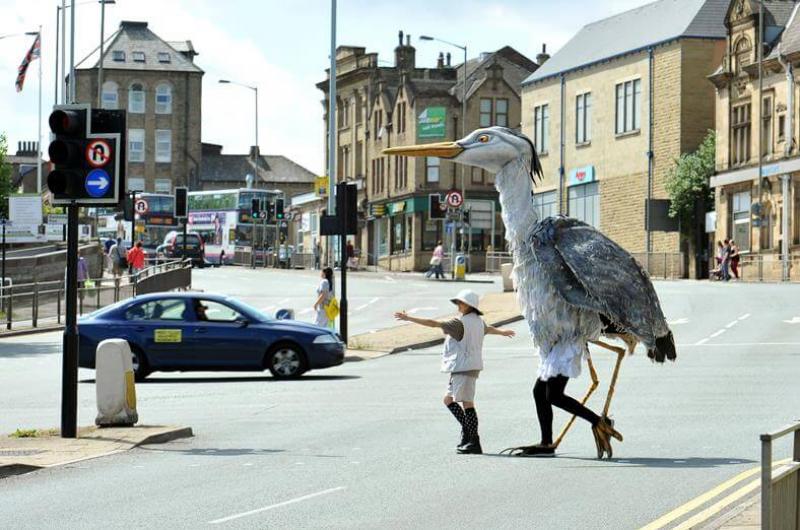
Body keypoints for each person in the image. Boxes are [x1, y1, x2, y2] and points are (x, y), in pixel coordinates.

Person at [394, 289, 516, 455]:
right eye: (458, 302)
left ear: (470, 306)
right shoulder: (477, 321)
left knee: (467, 403)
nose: (458, 305)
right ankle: (468, 433)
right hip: (464, 366)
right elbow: (489, 328)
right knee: (448, 400)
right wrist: (502, 332)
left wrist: (409, 318)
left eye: (461, 302)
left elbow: (433, 323)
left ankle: (474, 441)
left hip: (464, 366)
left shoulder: (459, 323)